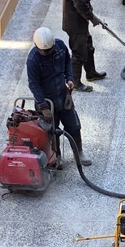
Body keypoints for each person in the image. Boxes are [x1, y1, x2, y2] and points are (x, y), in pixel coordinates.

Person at [26, 27, 92, 166]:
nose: (47, 53)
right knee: (51, 132)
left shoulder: (60, 47)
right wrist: (43, 106)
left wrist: (69, 78)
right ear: (36, 47)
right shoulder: (33, 60)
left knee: (74, 126)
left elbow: (68, 62)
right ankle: (56, 157)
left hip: (63, 96)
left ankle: (78, 153)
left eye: (49, 50)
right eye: (44, 52)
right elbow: (34, 84)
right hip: (46, 101)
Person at [62, 0, 106, 92]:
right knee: (79, 53)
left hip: (78, 22)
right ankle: (75, 83)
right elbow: (79, 4)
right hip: (75, 24)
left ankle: (91, 73)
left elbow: (82, 1)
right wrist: (92, 18)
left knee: (87, 46)